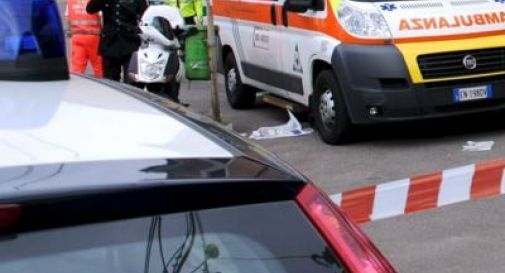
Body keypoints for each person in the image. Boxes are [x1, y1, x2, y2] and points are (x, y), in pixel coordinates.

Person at [86, 0, 148, 82]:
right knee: (110, 82)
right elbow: (90, 9)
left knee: (131, 81)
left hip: (130, 43)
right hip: (110, 44)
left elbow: (145, 15)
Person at [66, 0, 103, 77]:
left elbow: (67, 18)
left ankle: (75, 87)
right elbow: (102, 19)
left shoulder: (71, 1)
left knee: (77, 70)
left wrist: (71, 32)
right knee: (99, 68)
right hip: (94, 37)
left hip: (77, 36)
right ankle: (104, 88)